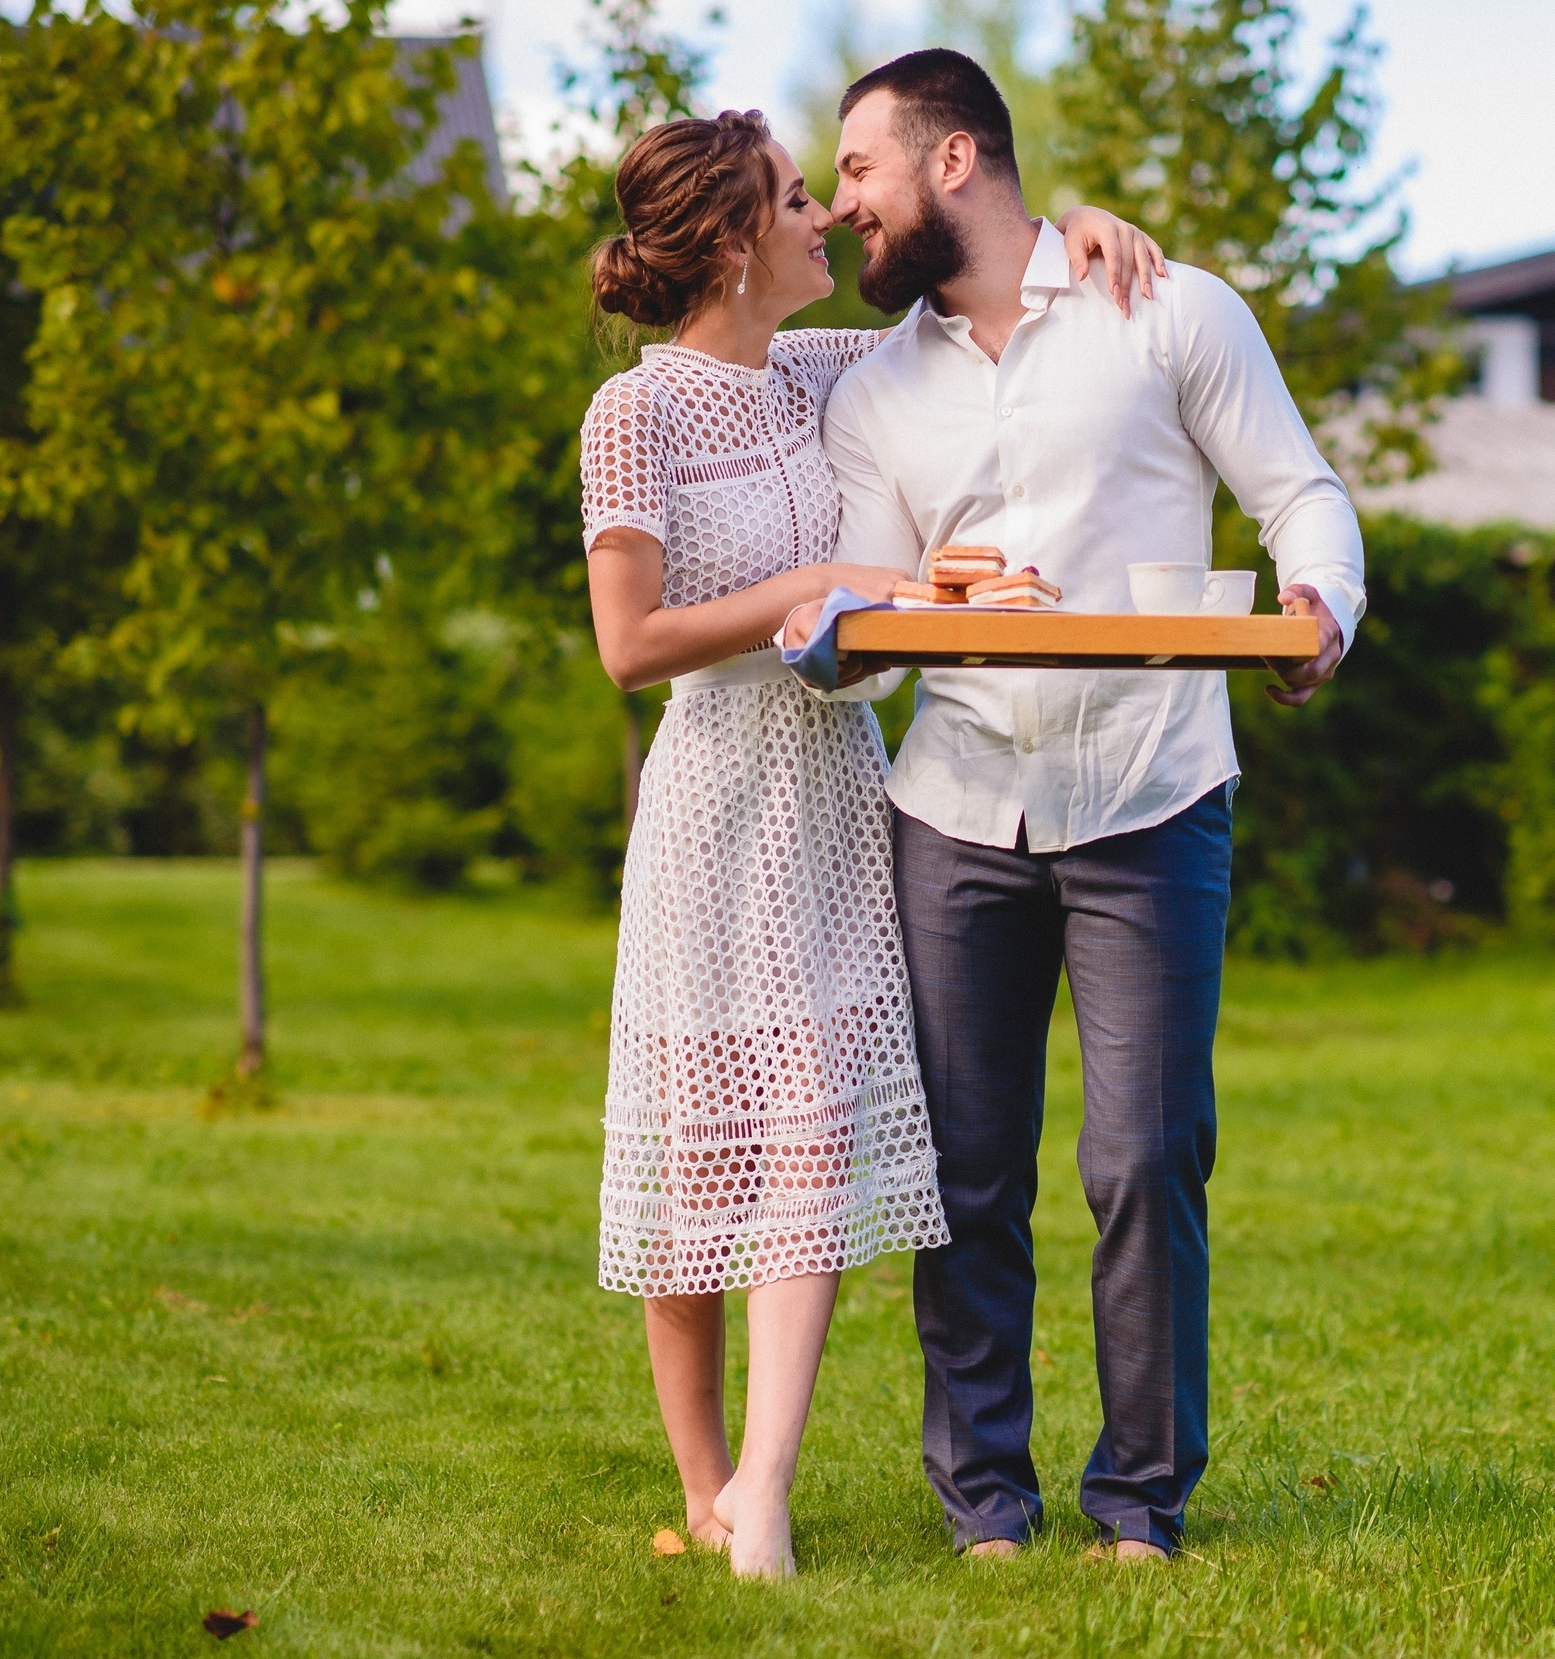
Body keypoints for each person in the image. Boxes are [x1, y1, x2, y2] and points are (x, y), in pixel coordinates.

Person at [577, 106, 1168, 1579]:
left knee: (816, 1136)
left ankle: (767, 1485)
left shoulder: (832, 368)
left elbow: (980, 312)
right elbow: (628, 643)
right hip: (710, 807)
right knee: (692, 1160)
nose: (827, 220)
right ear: (729, 241)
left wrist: (1075, 229)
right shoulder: (633, 414)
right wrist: (826, 574)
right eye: (795, 200)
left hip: (838, 801)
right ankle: (708, 1488)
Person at [815, 50, 1362, 1562]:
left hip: (1152, 791)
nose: (845, 198)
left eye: (859, 168)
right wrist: (842, 644)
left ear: (952, 162)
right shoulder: (871, 394)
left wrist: (1322, 602)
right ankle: (985, 1500)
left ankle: (1140, 1502)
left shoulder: (1168, 309)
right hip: (959, 810)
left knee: (1144, 1159)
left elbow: (1301, 491)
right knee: (967, 1174)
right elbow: (866, 634)